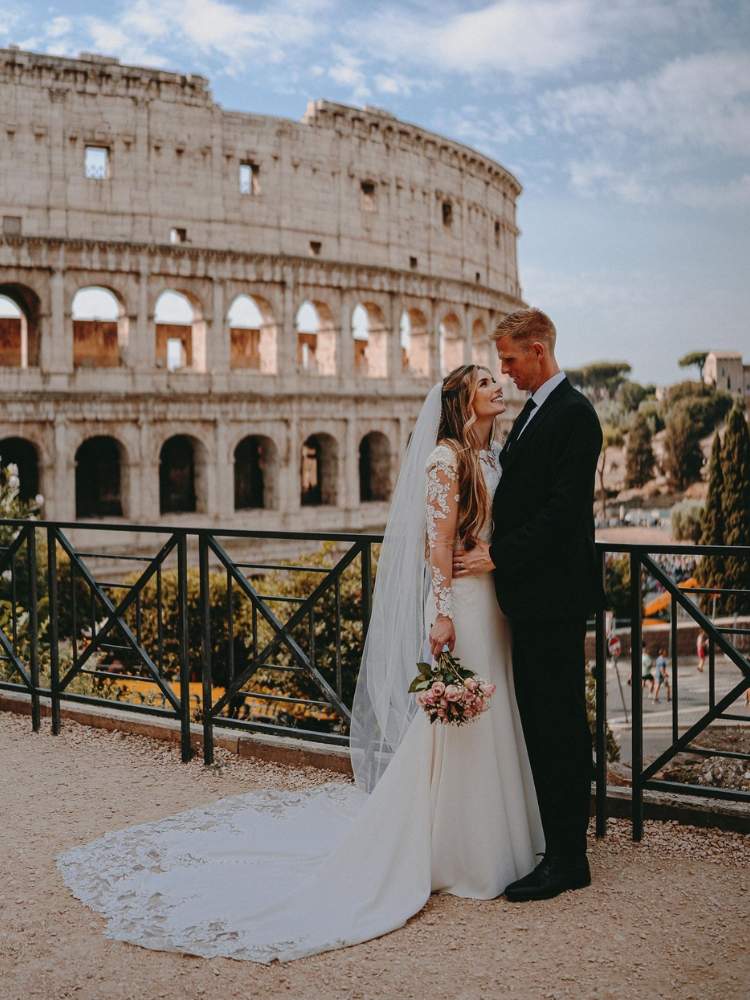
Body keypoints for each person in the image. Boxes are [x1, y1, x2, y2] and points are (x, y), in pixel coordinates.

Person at [57, 364, 543, 963]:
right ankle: (453, 848)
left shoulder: (488, 454)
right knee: (455, 724)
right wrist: (440, 612)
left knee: (488, 714)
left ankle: (490, 841)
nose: (500, 389)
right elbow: (435, 542)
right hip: (462, 604)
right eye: (488, 384)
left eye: (500, 381)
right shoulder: (445, 457)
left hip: (488, 599)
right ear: (465, 399)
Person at [453, 307, 603, 901]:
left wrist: (499, 555)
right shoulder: (537, 411)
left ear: (538, 350)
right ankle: (558, 840)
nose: (506, 371)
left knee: (558, 722)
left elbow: (564, 512)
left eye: (511, 359)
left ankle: (569, 858)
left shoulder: (575, 413)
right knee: (541, 720)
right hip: (532, 595)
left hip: (552, 597)